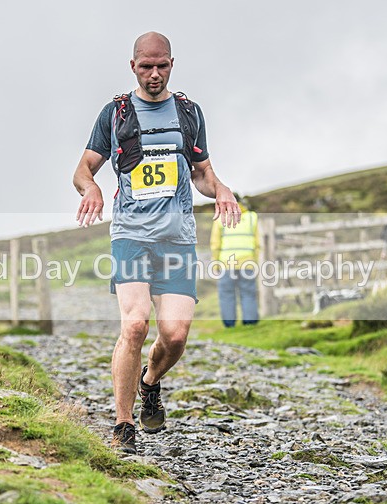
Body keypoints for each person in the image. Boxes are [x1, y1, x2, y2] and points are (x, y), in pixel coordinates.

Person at [72, 31, 240, 454]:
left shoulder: (188, 112)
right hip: (131, 235)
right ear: (133, 67)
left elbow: (202, 173)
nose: (154, 73)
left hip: (177, 238)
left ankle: (150, 382)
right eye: (146, 66)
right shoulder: (116, 113)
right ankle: (123, 425)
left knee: (176, 336)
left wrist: (221, 190)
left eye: (161, 65)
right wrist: (89, 188)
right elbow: (83, 170)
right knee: (134, 325)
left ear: (171, 64)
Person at [210, 193, 260, 327]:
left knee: (227, 294)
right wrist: (255, 261)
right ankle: (250, 323)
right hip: (247, 263)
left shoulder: (220, 217)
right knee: (248, 293)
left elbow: (215, 244)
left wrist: (215, 263)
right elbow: (258, 244)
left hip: (227, 264)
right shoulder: (251, 217)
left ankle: (229, 324)